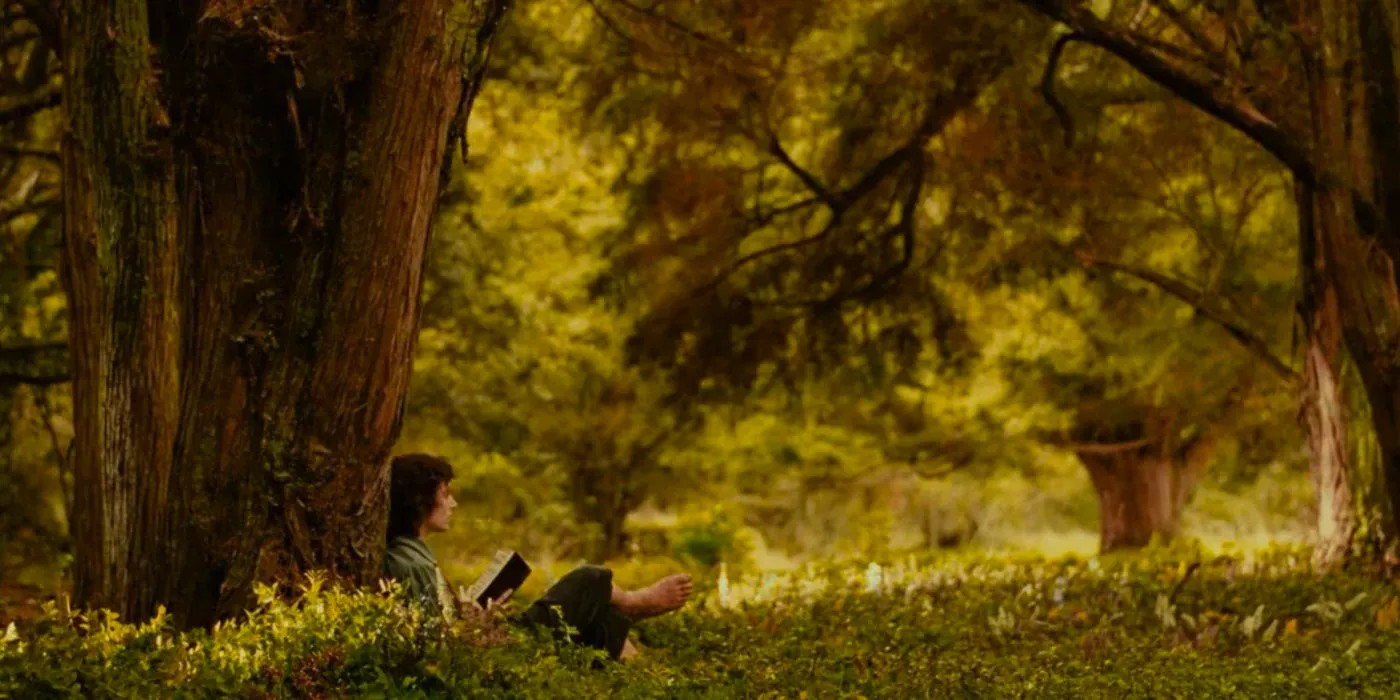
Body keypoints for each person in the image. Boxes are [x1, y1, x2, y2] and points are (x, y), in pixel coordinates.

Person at [383, 453, 692, 660]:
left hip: (493, 636)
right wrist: (476, 624)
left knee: (603, 623)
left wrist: (473, 610)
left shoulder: (412, 553)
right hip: (500, 649)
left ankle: (652, 683)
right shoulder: (409, 562)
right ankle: (635, 603)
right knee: (589, 578)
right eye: (446, 493)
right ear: (421, 500)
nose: (453, 503)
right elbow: (439, 644)